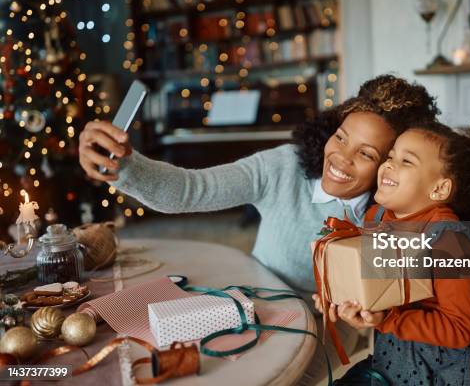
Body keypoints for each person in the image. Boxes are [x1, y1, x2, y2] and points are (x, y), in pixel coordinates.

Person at [78, 74, 441, 384]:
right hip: (252, 300)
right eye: (342, 137)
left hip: (323, 327)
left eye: (367, 154)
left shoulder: (395, 219)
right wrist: (124, 167)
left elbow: (405, 299)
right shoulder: (283, 166)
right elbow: (192, 189)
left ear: (390, 166)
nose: (342, 158)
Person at [315, 122, 470, 385]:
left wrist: (389, 319)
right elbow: (372, 286)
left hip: (444, 371)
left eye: (407, 161)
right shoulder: (378, 217)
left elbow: (461, 329)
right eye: (391, 155)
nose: (389, 164)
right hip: (391, 360)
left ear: (439, 189)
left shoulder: (449, 242)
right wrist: (339, 295)